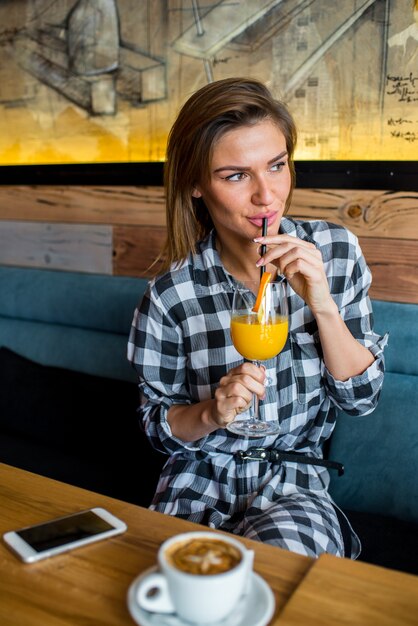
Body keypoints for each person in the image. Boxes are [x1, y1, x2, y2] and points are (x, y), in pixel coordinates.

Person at [128, 77, 386, 559]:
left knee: (274, 576)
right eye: (236, 175)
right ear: (195, 185)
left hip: (294, 484)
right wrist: (212, 412)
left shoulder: (333, 252)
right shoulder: (171, 295)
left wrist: (322, 304)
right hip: (197, 481)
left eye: (277, 166)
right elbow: (158, 429)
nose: (267, 196)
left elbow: (362, 400)